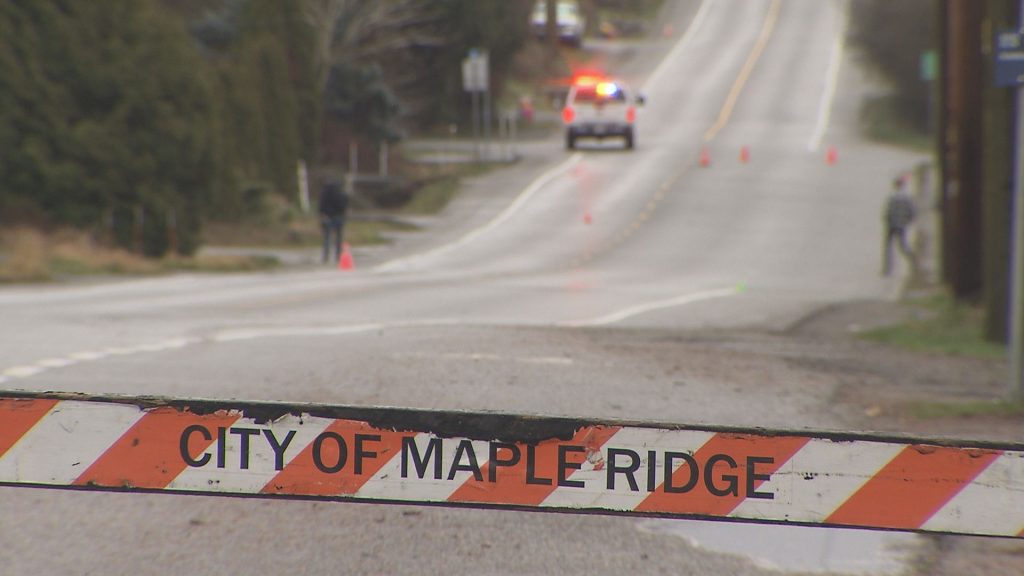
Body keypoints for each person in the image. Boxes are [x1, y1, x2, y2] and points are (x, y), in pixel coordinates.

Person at [882, 176, 916, 276]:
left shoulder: (892, 197)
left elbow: (888, 211)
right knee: (903, 245)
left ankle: (887, 268)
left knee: (888, 246)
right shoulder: (907, 197)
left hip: (892, 224)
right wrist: (908, 221)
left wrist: (887, 219)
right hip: (902, 225)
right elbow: (912, 212)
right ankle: (913, 259)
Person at [318, 179, 348, 264]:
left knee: (327, 238)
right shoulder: (340, 193)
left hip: (328, 217)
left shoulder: (325, 193)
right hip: (338, 216)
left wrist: (322, 214)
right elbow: (345, 203)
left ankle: (326, 256)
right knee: (339, 237)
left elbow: (321, 205)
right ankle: (338, 255)